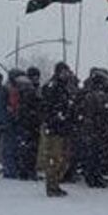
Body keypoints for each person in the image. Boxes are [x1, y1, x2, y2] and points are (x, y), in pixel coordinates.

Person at [40, 62, 79, 197]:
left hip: (65, 128)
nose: (65, 74)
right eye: (63, 72)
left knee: (65, 159)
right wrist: (56, 118)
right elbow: (46, 108)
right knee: (54, 158)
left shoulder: (67, 87)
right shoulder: (51, 87)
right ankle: (52, 186)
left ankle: (56, 183)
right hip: (54, 128)